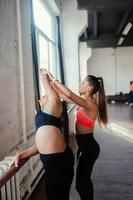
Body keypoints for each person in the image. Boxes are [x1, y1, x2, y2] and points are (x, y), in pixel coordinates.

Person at [10, 69, 74, 200]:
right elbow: (42, 145)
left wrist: (44, 76)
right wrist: (21, 154)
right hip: (55, 161)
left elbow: (53, 95)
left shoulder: (54, 106)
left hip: (57, 162)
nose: (41, 98)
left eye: (44, 96)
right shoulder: (48, 115)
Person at [45, 69, 108, 200]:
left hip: (89, 149)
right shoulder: (84, 101)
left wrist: (53, 79)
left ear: (89, 88)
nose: (80, 83)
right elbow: (65, 96)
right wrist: (49, 84)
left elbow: (68, 94)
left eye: (82, 82)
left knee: (82, 183)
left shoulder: (91, 104)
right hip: (85, 147)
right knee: (82, 182)